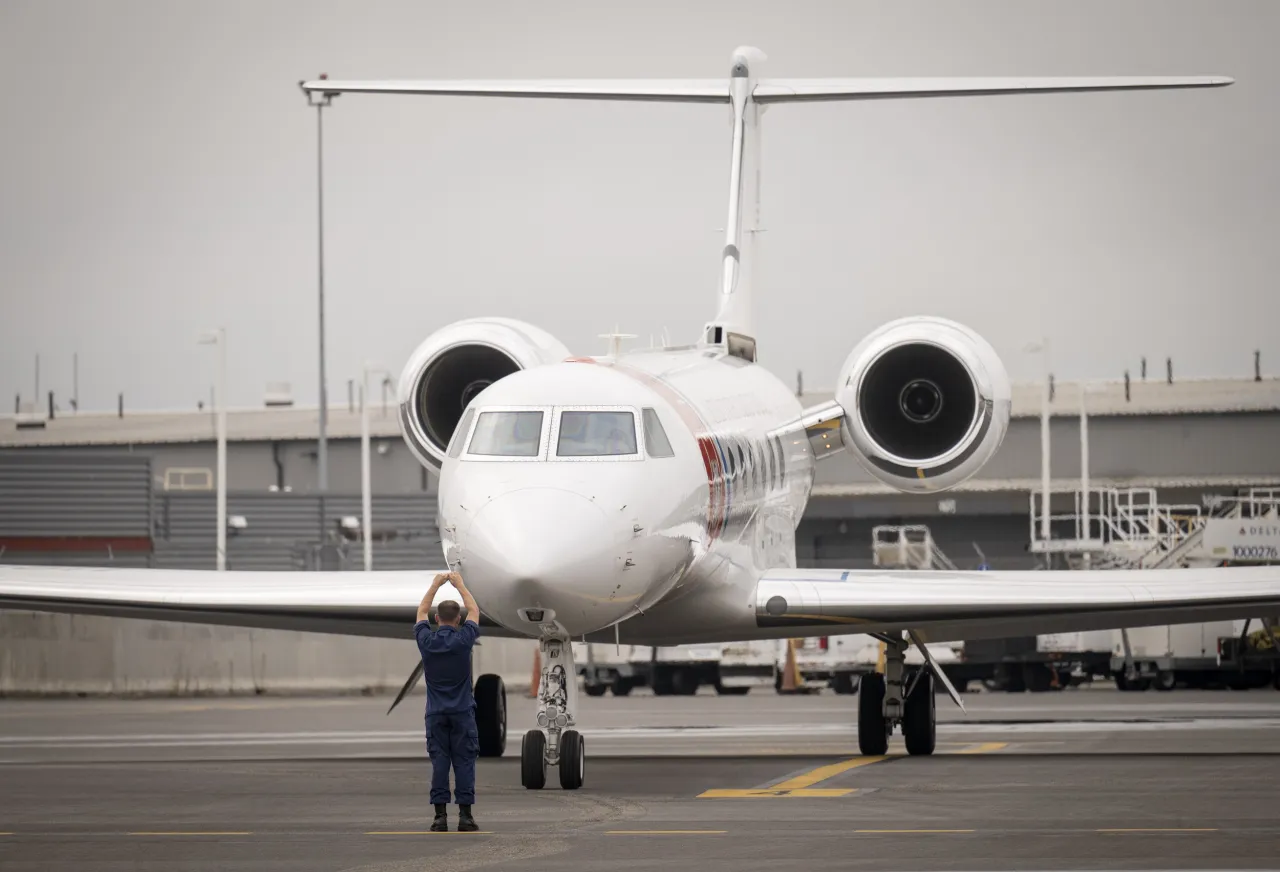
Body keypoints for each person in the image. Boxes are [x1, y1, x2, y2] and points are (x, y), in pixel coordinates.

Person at [413, 571, 482, 833]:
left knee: (439, 763)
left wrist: (435, 584)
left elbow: (421, 611)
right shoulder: (465, 640)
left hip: (436, 714)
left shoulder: (427, 641)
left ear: (437, 618)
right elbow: (474, 609)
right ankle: (466, 817)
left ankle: (439, 817)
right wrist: (460, 584)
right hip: (463, 712)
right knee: (464, 762)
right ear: (460, 619)